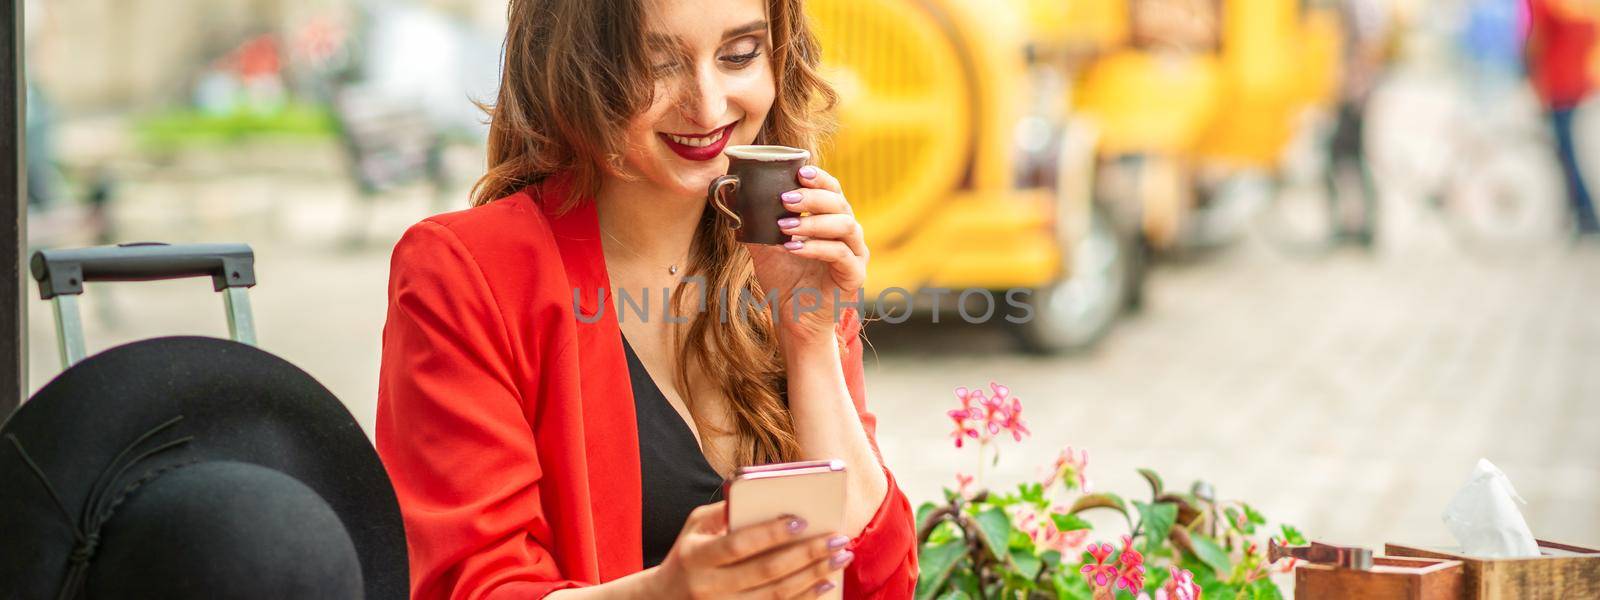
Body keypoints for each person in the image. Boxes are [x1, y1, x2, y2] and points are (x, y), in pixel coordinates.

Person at [374, 0, 917, 598]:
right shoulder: (467, 271)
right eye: (654, 64)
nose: (708, 105)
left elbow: (878, 580)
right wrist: (666, 592)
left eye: (739, 56)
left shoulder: (787, 264)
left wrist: (809, 340)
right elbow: (470, 584)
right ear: (572, 67)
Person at [1527, 0, 1600, 235]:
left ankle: (1583, 210)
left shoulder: (1546, 5)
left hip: (1559, 85)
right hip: (1572, 82)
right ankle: (1580, 210)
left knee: (1566, 152)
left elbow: (1537, 40)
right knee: (1565, 151)